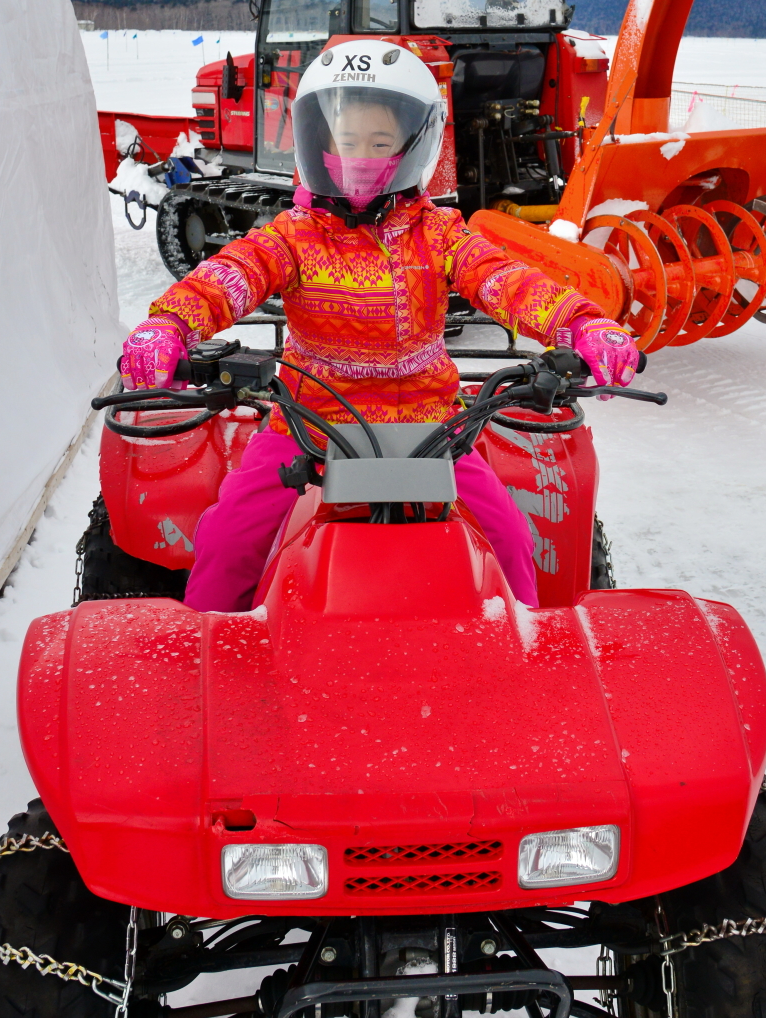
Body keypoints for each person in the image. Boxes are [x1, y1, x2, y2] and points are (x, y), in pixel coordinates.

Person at [119, 40, 639, 611]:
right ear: (319, 144)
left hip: (433, 432)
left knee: (513, 542)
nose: (360, 157)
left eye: (380, 143)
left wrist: (580, 324)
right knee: (225, 542)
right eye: (347, 142)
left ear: (413, 149)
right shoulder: (294, 236)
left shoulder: (439, 234)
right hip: (308, 426)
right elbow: (231, 274)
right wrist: (170, 324)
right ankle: (213, 670)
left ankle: (520, 663)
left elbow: (505, 279)